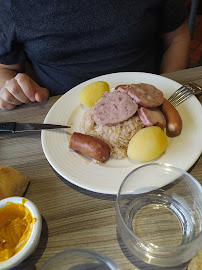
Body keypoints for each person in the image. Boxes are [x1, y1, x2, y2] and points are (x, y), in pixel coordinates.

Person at [0, 0, 191, 110]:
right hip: (59, 117)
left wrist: (166, 98)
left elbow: (177, 38)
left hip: (149, 103)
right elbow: (5, 68)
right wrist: (13, 90)